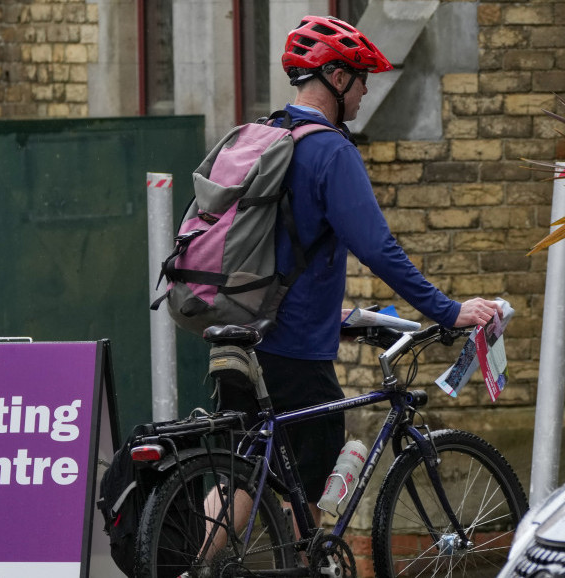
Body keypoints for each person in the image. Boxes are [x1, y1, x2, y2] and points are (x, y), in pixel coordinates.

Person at [220, 15, 504, 529]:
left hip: (240, 335)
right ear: (334, 76)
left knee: (240, 472)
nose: (366, 89)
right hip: (298, 352)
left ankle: (192, 564)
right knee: (309, 490)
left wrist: (347, 317)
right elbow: (379, 248)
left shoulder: (263, 134)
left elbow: (279, 250)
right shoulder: (330, 149)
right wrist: (448, 310)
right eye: (359, 75)